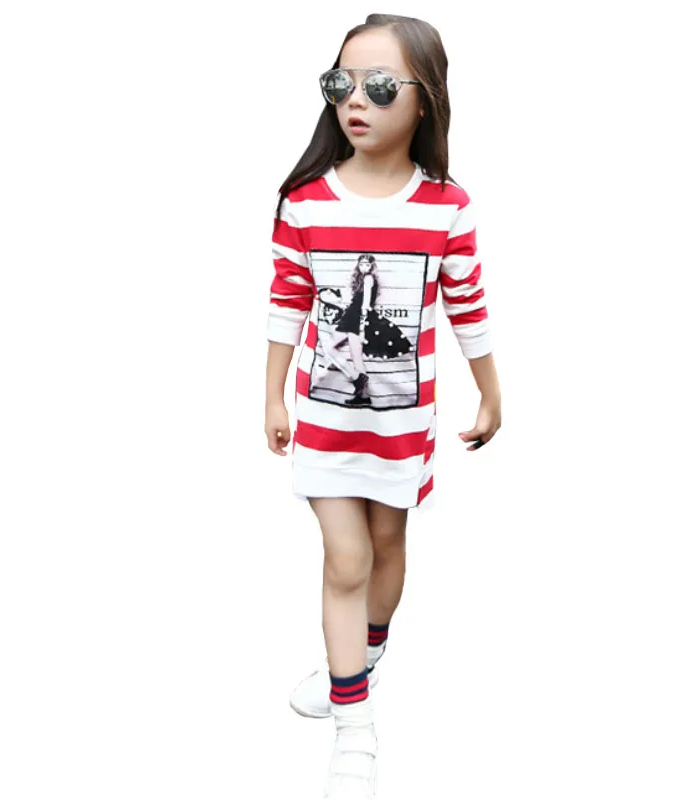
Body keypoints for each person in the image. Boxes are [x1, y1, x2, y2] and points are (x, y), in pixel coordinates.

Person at [264, 13, 502, 800]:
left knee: (387, 547)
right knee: (347, 558)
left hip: (401, 428)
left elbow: (467, 304)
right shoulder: (304, 202)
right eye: (340, 83)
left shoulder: (446, 206)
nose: (354, 101)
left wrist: (491, 390)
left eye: (378, 86)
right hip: (325, 423)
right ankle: (355, 726)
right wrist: (272, 394)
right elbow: (287, 300)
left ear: (425, 98)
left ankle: (363, 654)